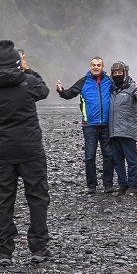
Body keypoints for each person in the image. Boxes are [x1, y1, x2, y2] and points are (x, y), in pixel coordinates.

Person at [0, 41, 53, 266]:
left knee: (3, 198)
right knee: (37, 196)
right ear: (17, 61)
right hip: (30, 149)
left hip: (3, 151)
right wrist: (27, 68)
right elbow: (44, 90)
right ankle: (38, 248)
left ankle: (5, 252)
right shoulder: (29, 81)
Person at [56, 57, 114, 194]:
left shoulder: (109, 81)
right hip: (89, 125)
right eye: (93, 65)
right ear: (90, 66)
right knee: (89, 156)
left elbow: (122, 86)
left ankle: (108, 184)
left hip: (106, 124)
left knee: (109, 155)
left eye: (98, 65)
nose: (96, 67)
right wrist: (60, 90)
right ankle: (91, 185)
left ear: (102, 67)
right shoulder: (83, 81)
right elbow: (69, 94)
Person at [107, 61, 137, 195]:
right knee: (117, 161)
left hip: (128, 130)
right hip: (113, 131)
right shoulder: (110, 89)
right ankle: (123, 184)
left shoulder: (132, 88)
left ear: (125, 73)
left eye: (120, 73)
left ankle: (133, 185)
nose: (118, 75)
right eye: (115, 73)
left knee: (131, 160)